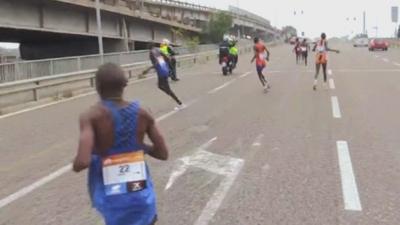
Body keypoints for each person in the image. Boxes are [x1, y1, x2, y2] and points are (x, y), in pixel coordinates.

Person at [73, 63, 169, 225]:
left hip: (111, 200)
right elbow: (163, 153)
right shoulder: (143, 113)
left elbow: (83, 161)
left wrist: (75, 164)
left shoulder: (90, 116)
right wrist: (142, 147)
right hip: (140, 194)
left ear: (97, 86)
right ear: (124, 85)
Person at [143, 43, 185, 110]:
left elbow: (156, 63)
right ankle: (171, 95)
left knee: (166, 88)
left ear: (149, 46)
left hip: (161, 71)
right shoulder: (158, 50)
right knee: (160, 86)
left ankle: (180, 103)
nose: (146, 46)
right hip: (164, 69)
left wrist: (147, 69)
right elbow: (167, 58)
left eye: (147, 45)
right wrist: (168, 68)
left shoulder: (151, 52)